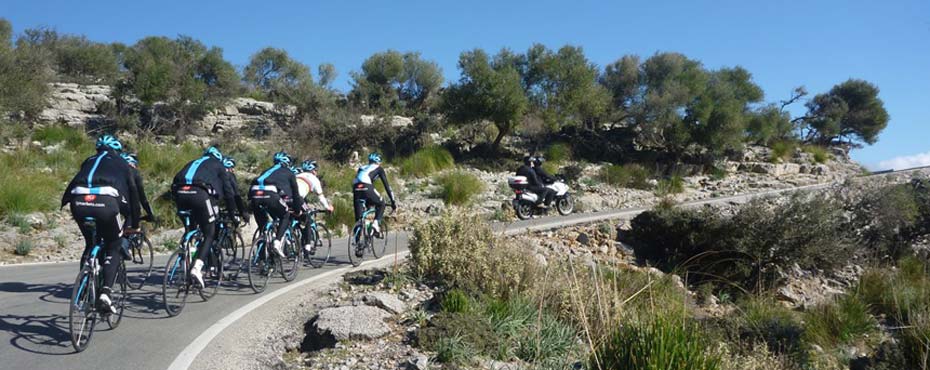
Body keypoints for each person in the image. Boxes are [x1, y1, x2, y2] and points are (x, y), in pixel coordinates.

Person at [61, 134, 140, 313]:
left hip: (79, 201)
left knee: (90, 243)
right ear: (117, 150)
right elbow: (133, 193)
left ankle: (83, 286)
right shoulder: (122, 163)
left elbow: (74, 182)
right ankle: (105, 293)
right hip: (106, 202)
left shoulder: (88, 160)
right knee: (114, 244)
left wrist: (64, 201)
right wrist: (134, 222)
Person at [171, 146, 242, 287]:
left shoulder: (192, 162)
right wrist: (233, 213)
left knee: (190, 228)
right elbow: (228, 193)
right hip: (200, 194)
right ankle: (197, 267)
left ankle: (188, 249)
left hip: (180, 193)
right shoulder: (219, 166)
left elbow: (174, 181)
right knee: (209, 232)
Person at [249, 151, 303, 258]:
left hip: (254, 194)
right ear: (288, 163)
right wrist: (297, 210)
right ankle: (277, 242)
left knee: (263, 228)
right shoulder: (289, 173)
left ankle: (262, 258)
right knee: (285, 214)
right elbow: (295, 195)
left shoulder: (267, 171)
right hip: (270, 194)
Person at [352, 153, 396, 244]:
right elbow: (387, 187)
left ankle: (357, 245)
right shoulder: (379, 169)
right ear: (378, 161)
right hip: (367, 187)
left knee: (358, 219)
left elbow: (361, 180)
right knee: (381, 203)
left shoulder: (362, 168)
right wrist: (393, 202)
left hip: (356, 188)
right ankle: (375, 224)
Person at [296, 160, 333, 253]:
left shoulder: (296, 176)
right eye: (316, 170)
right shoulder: (314, 179)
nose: (316, 173)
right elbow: (320, 197)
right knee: (307, 216)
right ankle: (307, 246)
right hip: (298, 198)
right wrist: (328, 207)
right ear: (313, 171)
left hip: (285, 197)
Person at [120, 152, 156, 223]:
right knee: (134, 214)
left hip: (109, 202)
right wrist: (150, 214)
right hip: (129, 206)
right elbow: (142, 198)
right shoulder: (134, 172)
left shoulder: (115, 171)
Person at [221, 156, 249, 227]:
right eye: (232, 167)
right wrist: (243, 212)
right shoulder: (230, 176)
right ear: (228, 168)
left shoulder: (214, 174)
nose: (233, 170)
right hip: (228, 201)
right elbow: (236, 194)